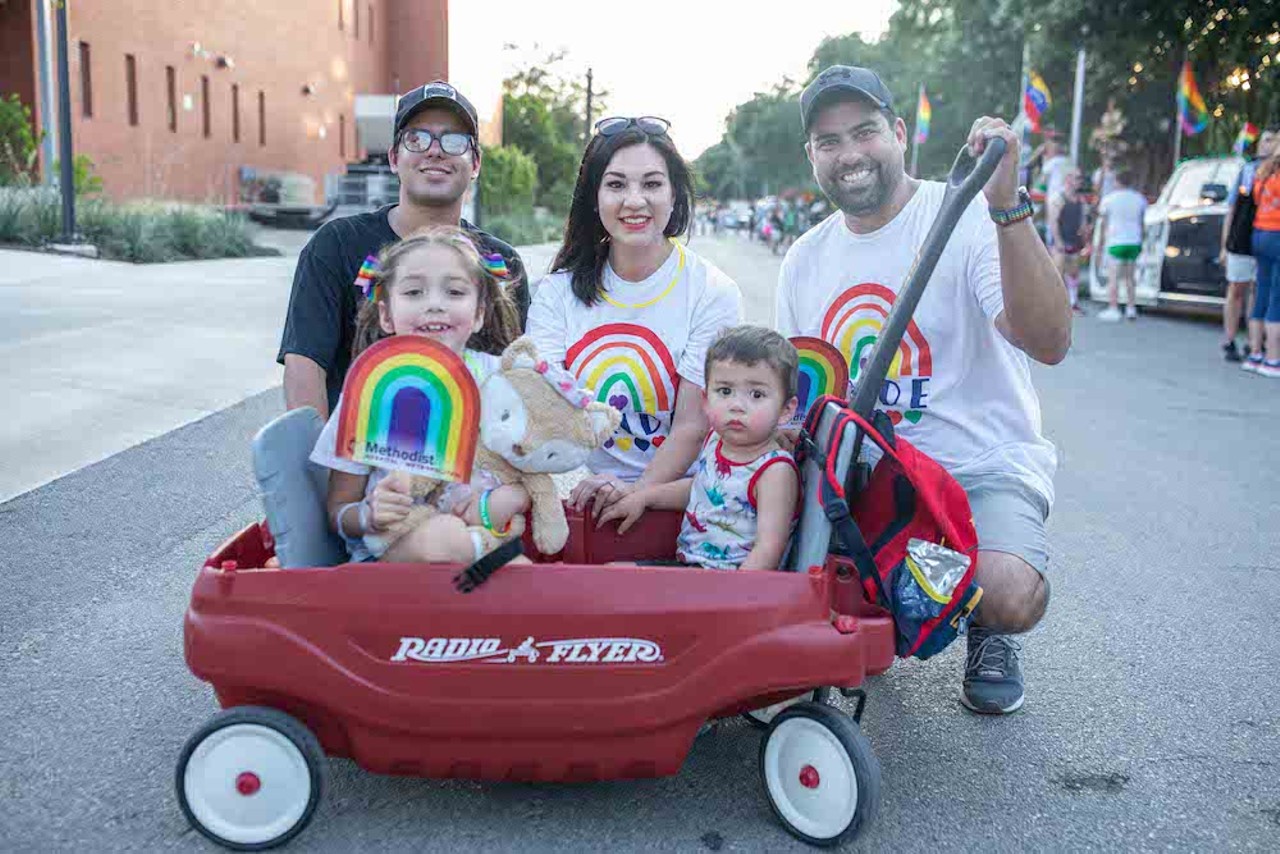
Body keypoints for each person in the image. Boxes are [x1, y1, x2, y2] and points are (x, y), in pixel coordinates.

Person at [777, 65, 1071, 715]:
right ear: (811, 157)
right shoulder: (803, 260)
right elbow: (799, 400)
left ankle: (979, 624)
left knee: (1006, 591)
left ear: (900, 133)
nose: (849, 154)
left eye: (865, 132)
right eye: (829, 142)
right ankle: (891, 604)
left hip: (976, 472)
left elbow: (1049, 340)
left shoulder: (963, 216)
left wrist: (1007, 207)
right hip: (873, 482)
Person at [526, 116, 743, 518]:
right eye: (616, 184)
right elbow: (544, 409)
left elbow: (691, 427)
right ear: (594, 197)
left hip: (681, 507)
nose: (635, 200)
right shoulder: (555, 293)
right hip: (585, 502)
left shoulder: (713, 292)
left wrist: (635, 493)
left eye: (652, 184)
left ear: (675, 194)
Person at [278, 80, 529, 420]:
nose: (435, 150)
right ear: (395, 158)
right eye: (417, 138)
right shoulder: (336, 245)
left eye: (455, 140)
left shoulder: (501, 262)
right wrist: (315, 465)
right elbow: (305, 362)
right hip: (359, 458)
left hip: (471, 461)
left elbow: (518, 373)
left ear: (476, 164)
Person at [310, 227, 526, 564]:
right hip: (393, 560)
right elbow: (338, 512)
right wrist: (369, 514)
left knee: (521, 574)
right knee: (446, 538)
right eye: (414, 292)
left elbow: (534, 467)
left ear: (480, 312)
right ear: (386, 314)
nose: (435, 305)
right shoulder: (370, 391)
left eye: (454, 292)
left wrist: (516, 495)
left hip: (487, 537)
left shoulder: (504, 381)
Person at [598, 326, 801, 570]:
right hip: (691, 567)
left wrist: (733, 602)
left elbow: (768, 549)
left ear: (785, 410)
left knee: (614, 578)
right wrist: (644, 496)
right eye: (725, 391)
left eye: (756, 395)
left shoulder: (774, 471)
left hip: (728, 584)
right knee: (611, 572)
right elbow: (702, 488)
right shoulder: (715, 440)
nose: (737, 405)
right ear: (705, 400)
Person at [1224, 129, 1278, 363]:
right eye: (1267, 140)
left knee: (1260, 292)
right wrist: (1225, 243)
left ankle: (1255, 344)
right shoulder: (1247, 171)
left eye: (1274, 141)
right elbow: (1232, 208)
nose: (1270, 145)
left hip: (1263, 237)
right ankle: (1230, 339)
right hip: (1244, 240)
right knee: (1238, 288)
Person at [1245, 130, 1280, 377]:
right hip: (1278, 235)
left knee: (1262, 294)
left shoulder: (1263, 173)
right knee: (1277, 298)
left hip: (1259, 234)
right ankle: (1273, 359)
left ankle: (1255, 353)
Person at [1096, 169, 1147, 322]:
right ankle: (1131, 308)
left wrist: (1101, 243)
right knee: (1130, 277)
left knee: (1114, 277)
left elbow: (1103, 224)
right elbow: (1142, 223)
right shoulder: (1140, 199)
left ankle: (1113, 308)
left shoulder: (1109, 199)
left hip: (1116, 242)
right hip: (1134, 241)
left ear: (1117, 182)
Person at [1046, 167, 1088, 313]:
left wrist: (1084, 240)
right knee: (1058, 272)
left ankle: (1073, 302)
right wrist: (1058, 241)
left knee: (1074, 272)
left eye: (1080, 178)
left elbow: (1082, 222)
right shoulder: (1058, 198)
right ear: (1068, 179)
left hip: (1074, 240)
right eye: (1077, 178)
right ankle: (1054, 303)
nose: (1080, 181)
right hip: (1061, 241)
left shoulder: (1080, 200)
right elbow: (1053, 221)